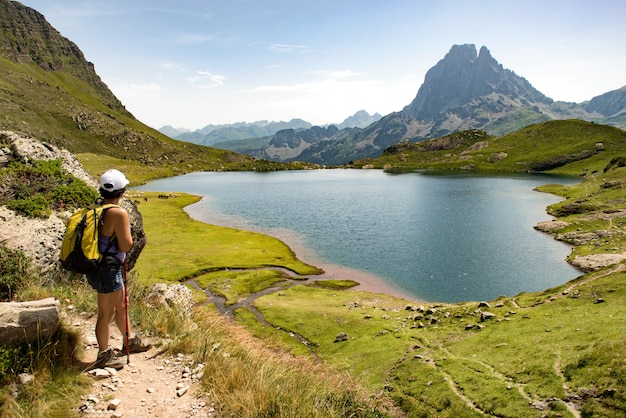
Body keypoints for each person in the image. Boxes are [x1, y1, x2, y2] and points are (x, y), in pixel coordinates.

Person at [86, 169, 151, 369]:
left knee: (122, 304)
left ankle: (128, 340)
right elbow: (125, 245)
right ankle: (104, 355)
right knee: (105, 313)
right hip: (109, 269)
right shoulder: (118, 213)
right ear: (122, 191)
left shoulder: (96, 208)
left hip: (102, 267)